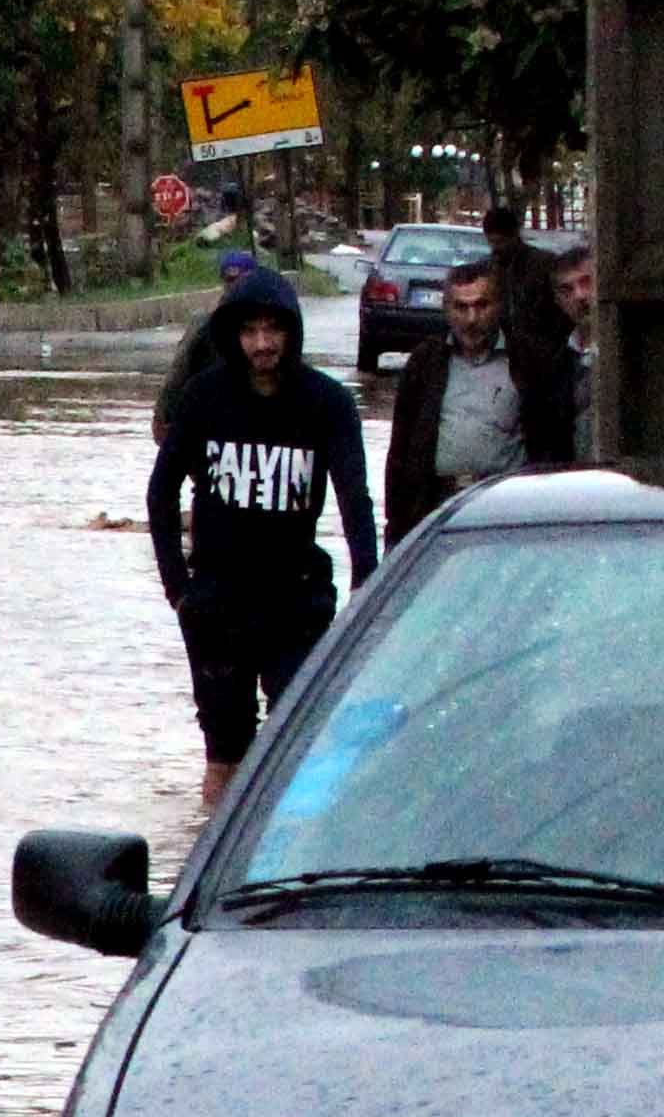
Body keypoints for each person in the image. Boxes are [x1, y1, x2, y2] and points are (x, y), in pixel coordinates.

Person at [146, 267, 374, 810]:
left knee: (297, 739)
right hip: (217, 602)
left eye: (274, 330)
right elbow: (161, 492)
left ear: (293, 332)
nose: (263, 344)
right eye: (250, 331)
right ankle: (213, 865)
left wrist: (367, 587)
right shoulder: (204, 398)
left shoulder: (327, 403)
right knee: (224, 752)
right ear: (233, 336)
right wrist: (177, 586)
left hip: (297, 598)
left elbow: (354, 501)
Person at [382, 252, 582, 541]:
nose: (471, 319)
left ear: (499, 306)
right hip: (437, 507)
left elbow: (553, 442)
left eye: (481, 306)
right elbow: (401, 451)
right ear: (446, 309)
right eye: (461, 308)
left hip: (508, 509)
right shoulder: (427, 363)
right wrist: (396, 529)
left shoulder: (530, 361)